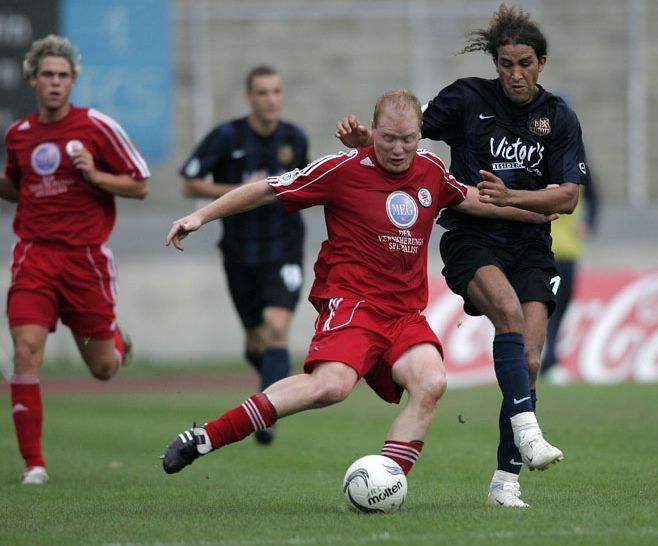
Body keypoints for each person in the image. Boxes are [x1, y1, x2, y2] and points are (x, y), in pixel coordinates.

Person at [161, 90, 556, 482]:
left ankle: (386, 483)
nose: (398, 149)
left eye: (407, 139)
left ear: (420, 134)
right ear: (373, 129)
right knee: (330, 387)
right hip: (355, 305)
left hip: (404, 315)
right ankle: (207, 436)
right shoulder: (343, 169)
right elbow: (268, 187)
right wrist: (201, 216)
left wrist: (532, 211)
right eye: (388, 138)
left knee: (431, 382)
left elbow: (469, 198)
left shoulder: (431, 171)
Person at [335, 4, 590, 507]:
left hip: (532, 244)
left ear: (542, 62)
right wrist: (373, 143)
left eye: (524, 64)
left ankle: (504, 483)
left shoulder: (558, 116)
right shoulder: (467, 98)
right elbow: (408, 135)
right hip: (471, 238)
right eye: (505, 64)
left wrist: (513, 197)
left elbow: (568, 197)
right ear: (495, 62)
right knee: (509, 315)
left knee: (531, 358)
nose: (515, 74)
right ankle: (531, 433)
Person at [0, 35, 150, 485]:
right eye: (46, 75)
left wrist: (94, 174)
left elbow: (140, 184)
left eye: (62, 76)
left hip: (85, 262)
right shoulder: (19, 135)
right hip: (33, 257)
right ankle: (34, 465)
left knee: (103, 369)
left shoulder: (96, 127)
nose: (54, 82)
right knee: (25, 353)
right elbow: (14, 186)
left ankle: (116, 343)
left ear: (73, 81)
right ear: (32, 79)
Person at [178, 66, 309, 445]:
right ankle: (268, 377)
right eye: (263, 93)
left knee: (277, 327)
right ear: (250, 97)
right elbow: (189, 183)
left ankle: (266, 416)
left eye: (277, 92)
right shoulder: (226, 136)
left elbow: (303, 184)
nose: (271, 99)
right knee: (257, 340)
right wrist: (240, 190)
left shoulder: (294, 138)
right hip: (240, 251)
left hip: (284, 247)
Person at [540, 179, 599, 384]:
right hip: (543, 248)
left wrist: (589, 222)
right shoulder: (537, 161)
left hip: (569, 250)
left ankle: (549, 360)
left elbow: (594, 196)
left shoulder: (578, 166)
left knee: (562, 306)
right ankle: (549, 361)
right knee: (548, 306)